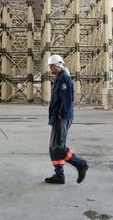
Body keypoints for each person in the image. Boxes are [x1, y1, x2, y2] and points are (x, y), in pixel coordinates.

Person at [44, 54, 88, 184]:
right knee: (54, 147)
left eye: (52, 66)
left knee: (58, 147)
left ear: (58, 65)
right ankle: (59, 175)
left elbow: (67, 101)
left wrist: (61, 114)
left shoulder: (64, 79)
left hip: (62, 118)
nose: (50, 69)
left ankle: (81, 164)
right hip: (57, 117)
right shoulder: (59, 78)